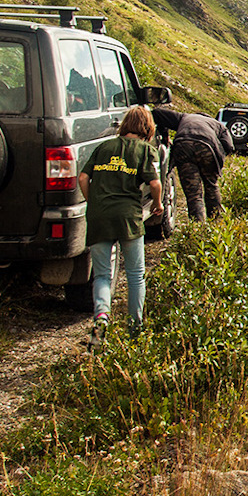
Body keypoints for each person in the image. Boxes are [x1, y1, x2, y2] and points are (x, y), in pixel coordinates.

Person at [78, 105, 162, 334]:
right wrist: (158, 204)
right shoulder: (145, 150)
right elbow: (155, 183)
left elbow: (84, 177)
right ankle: (135, 327)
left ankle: (102, 317)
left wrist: (92, 202)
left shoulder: (104, 146)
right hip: (128, 218)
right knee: (135, 275)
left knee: (103, 274)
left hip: (99, 216)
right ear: (147, 128)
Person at [152, 106, 233, 220]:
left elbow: (157, 113)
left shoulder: (184, 117)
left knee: (193, 193)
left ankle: (197, 227)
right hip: (207, 148)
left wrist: (165, 136)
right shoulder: (218, 125)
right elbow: (229, 146)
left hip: (183, 146)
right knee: (211, 185)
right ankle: (215, 221)